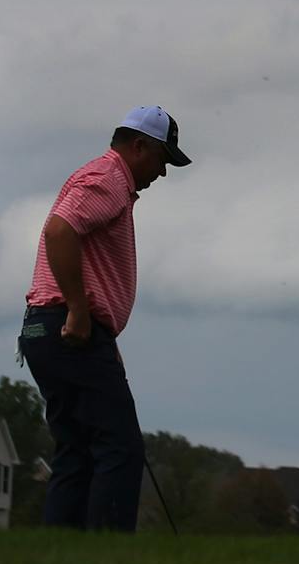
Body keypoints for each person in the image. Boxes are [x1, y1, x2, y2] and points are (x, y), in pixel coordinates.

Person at [17, 105, 191, 530]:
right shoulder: (109, 179)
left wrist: (103, 336)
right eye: (162, 159)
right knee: (120, 447)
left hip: (48, 328)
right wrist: (78, 310)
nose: (163, 172)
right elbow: (60, 230)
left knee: (76, 450)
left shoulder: (102, 178)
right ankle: (108, 558)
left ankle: (64, 561)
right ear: (139, 146)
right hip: (67, 326)